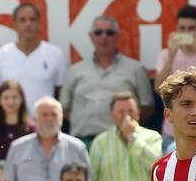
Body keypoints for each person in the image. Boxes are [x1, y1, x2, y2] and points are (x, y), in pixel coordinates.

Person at [60, 15, 154, 143]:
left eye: (109, 33)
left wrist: (126, 126)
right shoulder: (74, 70)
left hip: (121, 142)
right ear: (91, 37)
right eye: (98, 33)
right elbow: (64, 108)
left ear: (117, 36)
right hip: (82, 141)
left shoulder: (135, 69)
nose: (104, 37)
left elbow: (147, 108)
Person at [1, 96, 89, 181]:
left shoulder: (77, 148)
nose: (49, 119)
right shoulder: (17, 147)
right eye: (44, 114)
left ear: (61, 118)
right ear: (34, 119)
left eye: (54, 114)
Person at [0, 2, 66, 105]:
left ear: (39, 23)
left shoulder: (56, 54)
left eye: (32, 19)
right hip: (12, 121)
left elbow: (61, 94)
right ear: (14, 25)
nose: (28, 24)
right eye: (22, 20)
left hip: (44, 120)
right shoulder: (1, 54)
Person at [0, 80, 32, 164]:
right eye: (6, 98)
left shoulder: (31, 130)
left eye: (14, 97)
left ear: (22, 99)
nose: (10, 102)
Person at [155, 4, 196, 80]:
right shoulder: (165, 55)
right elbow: (158, 87)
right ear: (176, 28)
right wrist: (170, 57)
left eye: (191, 28)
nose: (186, 32)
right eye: (182, 28)